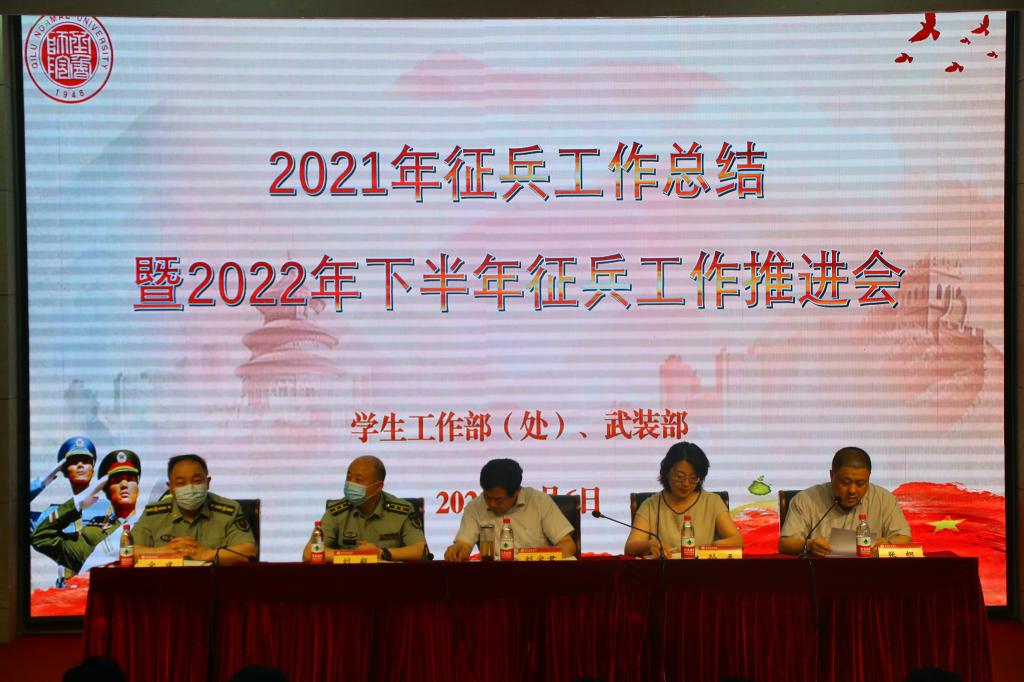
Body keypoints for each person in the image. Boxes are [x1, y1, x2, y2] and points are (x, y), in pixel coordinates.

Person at [779, 446, 912, 557]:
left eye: (860, 483)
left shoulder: (884, 499)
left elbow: (905, 538)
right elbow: (785, 544)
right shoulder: (806, 499)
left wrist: (887, 543)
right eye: (845, 482)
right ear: (832, 475)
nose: (852, 490)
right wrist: (808, 545)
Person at [31, 450, 144, 574]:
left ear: (138, 488)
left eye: (130, 479)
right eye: (116, 481)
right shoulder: (91, 536)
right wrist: (76, 503)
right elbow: (41, 538)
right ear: (106, 491)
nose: (124, 485)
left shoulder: (152, 526)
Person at [624, 441, 743, 557]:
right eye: (680, 476)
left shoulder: (713, 502)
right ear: (667, 472)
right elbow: (630, 547)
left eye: (693, 478)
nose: (686, 483)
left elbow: (737, 541)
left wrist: (714, 547)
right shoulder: (650, 506)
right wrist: (649, 544)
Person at [132, 454, 257, 564]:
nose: (190, 487)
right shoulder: (154, 514)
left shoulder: (229, 511)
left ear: (207, 482)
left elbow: (249, 551)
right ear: (170, 488)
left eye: (197, 481)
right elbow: (128, 552)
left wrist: (207, 554)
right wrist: (163, 551)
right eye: (181, 483)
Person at [444, 458, 575, 561]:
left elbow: (567, 545)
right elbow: (464, 545)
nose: (492, 504)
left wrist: (535, 558)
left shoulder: (539, 501)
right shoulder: (475, 507)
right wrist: (456, 550)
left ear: (517, 491)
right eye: (487, 497)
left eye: (499, 500)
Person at [301, 455, 426, 562]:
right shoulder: (336, 512)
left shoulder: (401, 510)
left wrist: (379, 553)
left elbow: (421, 550)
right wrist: (355, 555)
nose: (351, 483)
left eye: (358, 480)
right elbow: (309, 553)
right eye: (348, 478)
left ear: (378, 486)